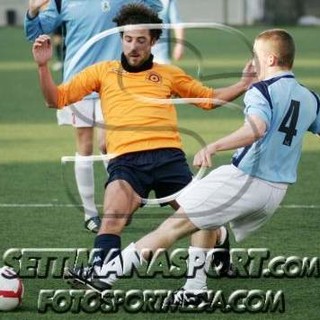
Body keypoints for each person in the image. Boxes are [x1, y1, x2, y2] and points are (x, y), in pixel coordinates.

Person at [65, 28, 320, 304]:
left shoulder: (263, 90)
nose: (252, 62)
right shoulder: (310, 98)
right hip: (276, 192)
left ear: (270, 60)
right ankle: (195, 289)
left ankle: (105, 274)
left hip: (244, 178)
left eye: (255, 56)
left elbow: (257, 128)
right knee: (204, 216)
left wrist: (214, 145)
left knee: (172, 227)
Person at [32, 3, 256, 292]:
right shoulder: (102, 72)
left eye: (141, 40)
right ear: (121, 39)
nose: (133, 46)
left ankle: (221, 241)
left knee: (203, 217)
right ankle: (101, 273)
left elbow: (208, 100)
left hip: (168, 159)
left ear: (153, 41)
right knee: (112, 216)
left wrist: (243, 83)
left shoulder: (169, 74)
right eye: (128, 39)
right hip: (126, 161)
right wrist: (42, 67)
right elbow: (55, 100)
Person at [24, 0, 163, 233]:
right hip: (79, 82)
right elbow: (36, 33)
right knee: (85, 145)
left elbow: (154, 7)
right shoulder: (62, 2)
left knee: (110, 144)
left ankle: (119, 205)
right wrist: (32, 10)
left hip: (116, 82)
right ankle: (90, 214)